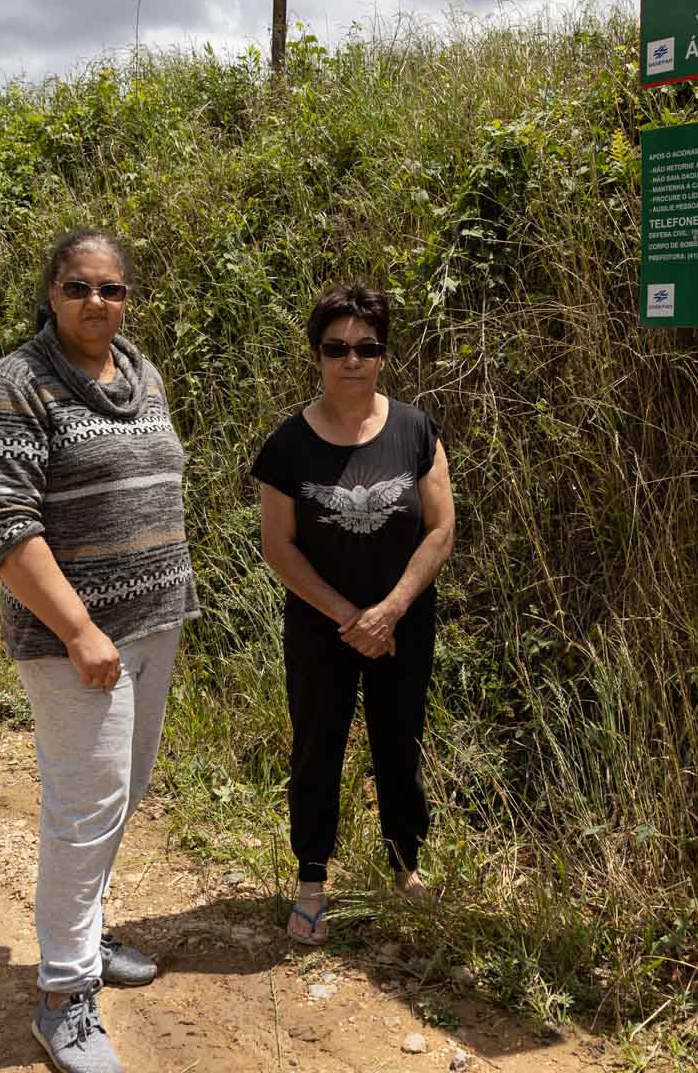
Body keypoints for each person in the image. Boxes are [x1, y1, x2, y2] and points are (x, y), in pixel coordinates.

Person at [0, 227, 197, 1073]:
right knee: (84, 810)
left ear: (128, 297)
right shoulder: (17, 383)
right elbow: (4, 526)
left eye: (111, 288)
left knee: (120, 794)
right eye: (78, 287)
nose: (96, 301)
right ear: (51, 294)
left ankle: (88, 938)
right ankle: (63, 997)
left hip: (154, 621)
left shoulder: (140, 372)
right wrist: (78, 629)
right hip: (76, 643)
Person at [249, 284, 455, 946]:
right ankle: (312, 881)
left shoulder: (415, 430)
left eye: (367, 347)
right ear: (316, 355)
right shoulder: (287, 445)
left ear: (384, 355)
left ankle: (405, 868)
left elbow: (441, 528)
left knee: (400, 742)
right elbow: (278, 547)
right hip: (320, 625)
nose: (352, 360)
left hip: (403, 624)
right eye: (336, 348)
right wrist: (350, 618)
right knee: (317, 747)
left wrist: (390, 610)